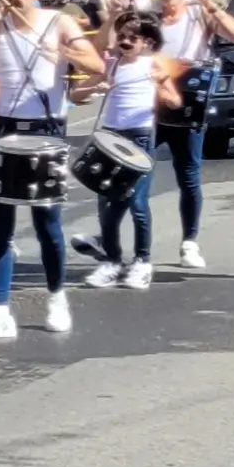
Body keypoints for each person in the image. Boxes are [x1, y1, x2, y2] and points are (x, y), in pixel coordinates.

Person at [0, 0, 102, 341]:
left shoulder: (58, 22)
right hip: (1, 127)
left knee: (47, 220)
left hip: (45, 126)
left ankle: (57, 297)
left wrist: (62, 54)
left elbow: (95, 64)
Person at [80, 15, 188, 290]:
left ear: (146, 42)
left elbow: (175, 102)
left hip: (139, 136)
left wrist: (159, 87)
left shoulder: (152, 65)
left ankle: (142, 262)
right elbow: (75, 95)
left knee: (137, 203)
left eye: (133, 38)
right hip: (111, 136)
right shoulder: (111, 64)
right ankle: (113, 262)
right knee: (107, 203)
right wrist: (96, 87)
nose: (125, 42)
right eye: (122, 36)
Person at [149, 0, 234, 271]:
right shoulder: (148, 14)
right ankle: (117, 240)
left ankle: (189, 241)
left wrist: (212, 7)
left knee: (188, 176)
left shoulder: (198, 12)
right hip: (148, 104)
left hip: (188, 101)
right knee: (132, 169)